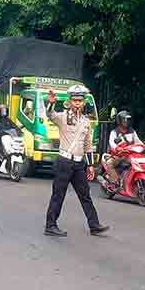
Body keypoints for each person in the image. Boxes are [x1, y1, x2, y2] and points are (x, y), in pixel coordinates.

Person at [43, 85, 109, 237]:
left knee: (85, 195)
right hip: (64, 162)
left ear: (84, 102)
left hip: (79, 164)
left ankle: (94, 225)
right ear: (70, 101)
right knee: (58, 195)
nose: (77, 103)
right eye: (75, 100)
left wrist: (91, 165)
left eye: (80, 100)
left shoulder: (86, 122)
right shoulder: (63, 117)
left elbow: (88, 144)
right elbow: (50, 115)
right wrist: (51, 102)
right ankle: (50, 225)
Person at [101, 111, 143, 186]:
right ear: (120, 121)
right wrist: (117, 148)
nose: (127, 122)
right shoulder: (114, 132)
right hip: (117, 156)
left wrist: (144, 146)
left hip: (129, 156)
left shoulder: (132, 131)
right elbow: (111, 143)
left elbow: (137, 141)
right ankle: (115, 181)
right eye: (125, 120)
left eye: (128, 120)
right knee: (109, 164)